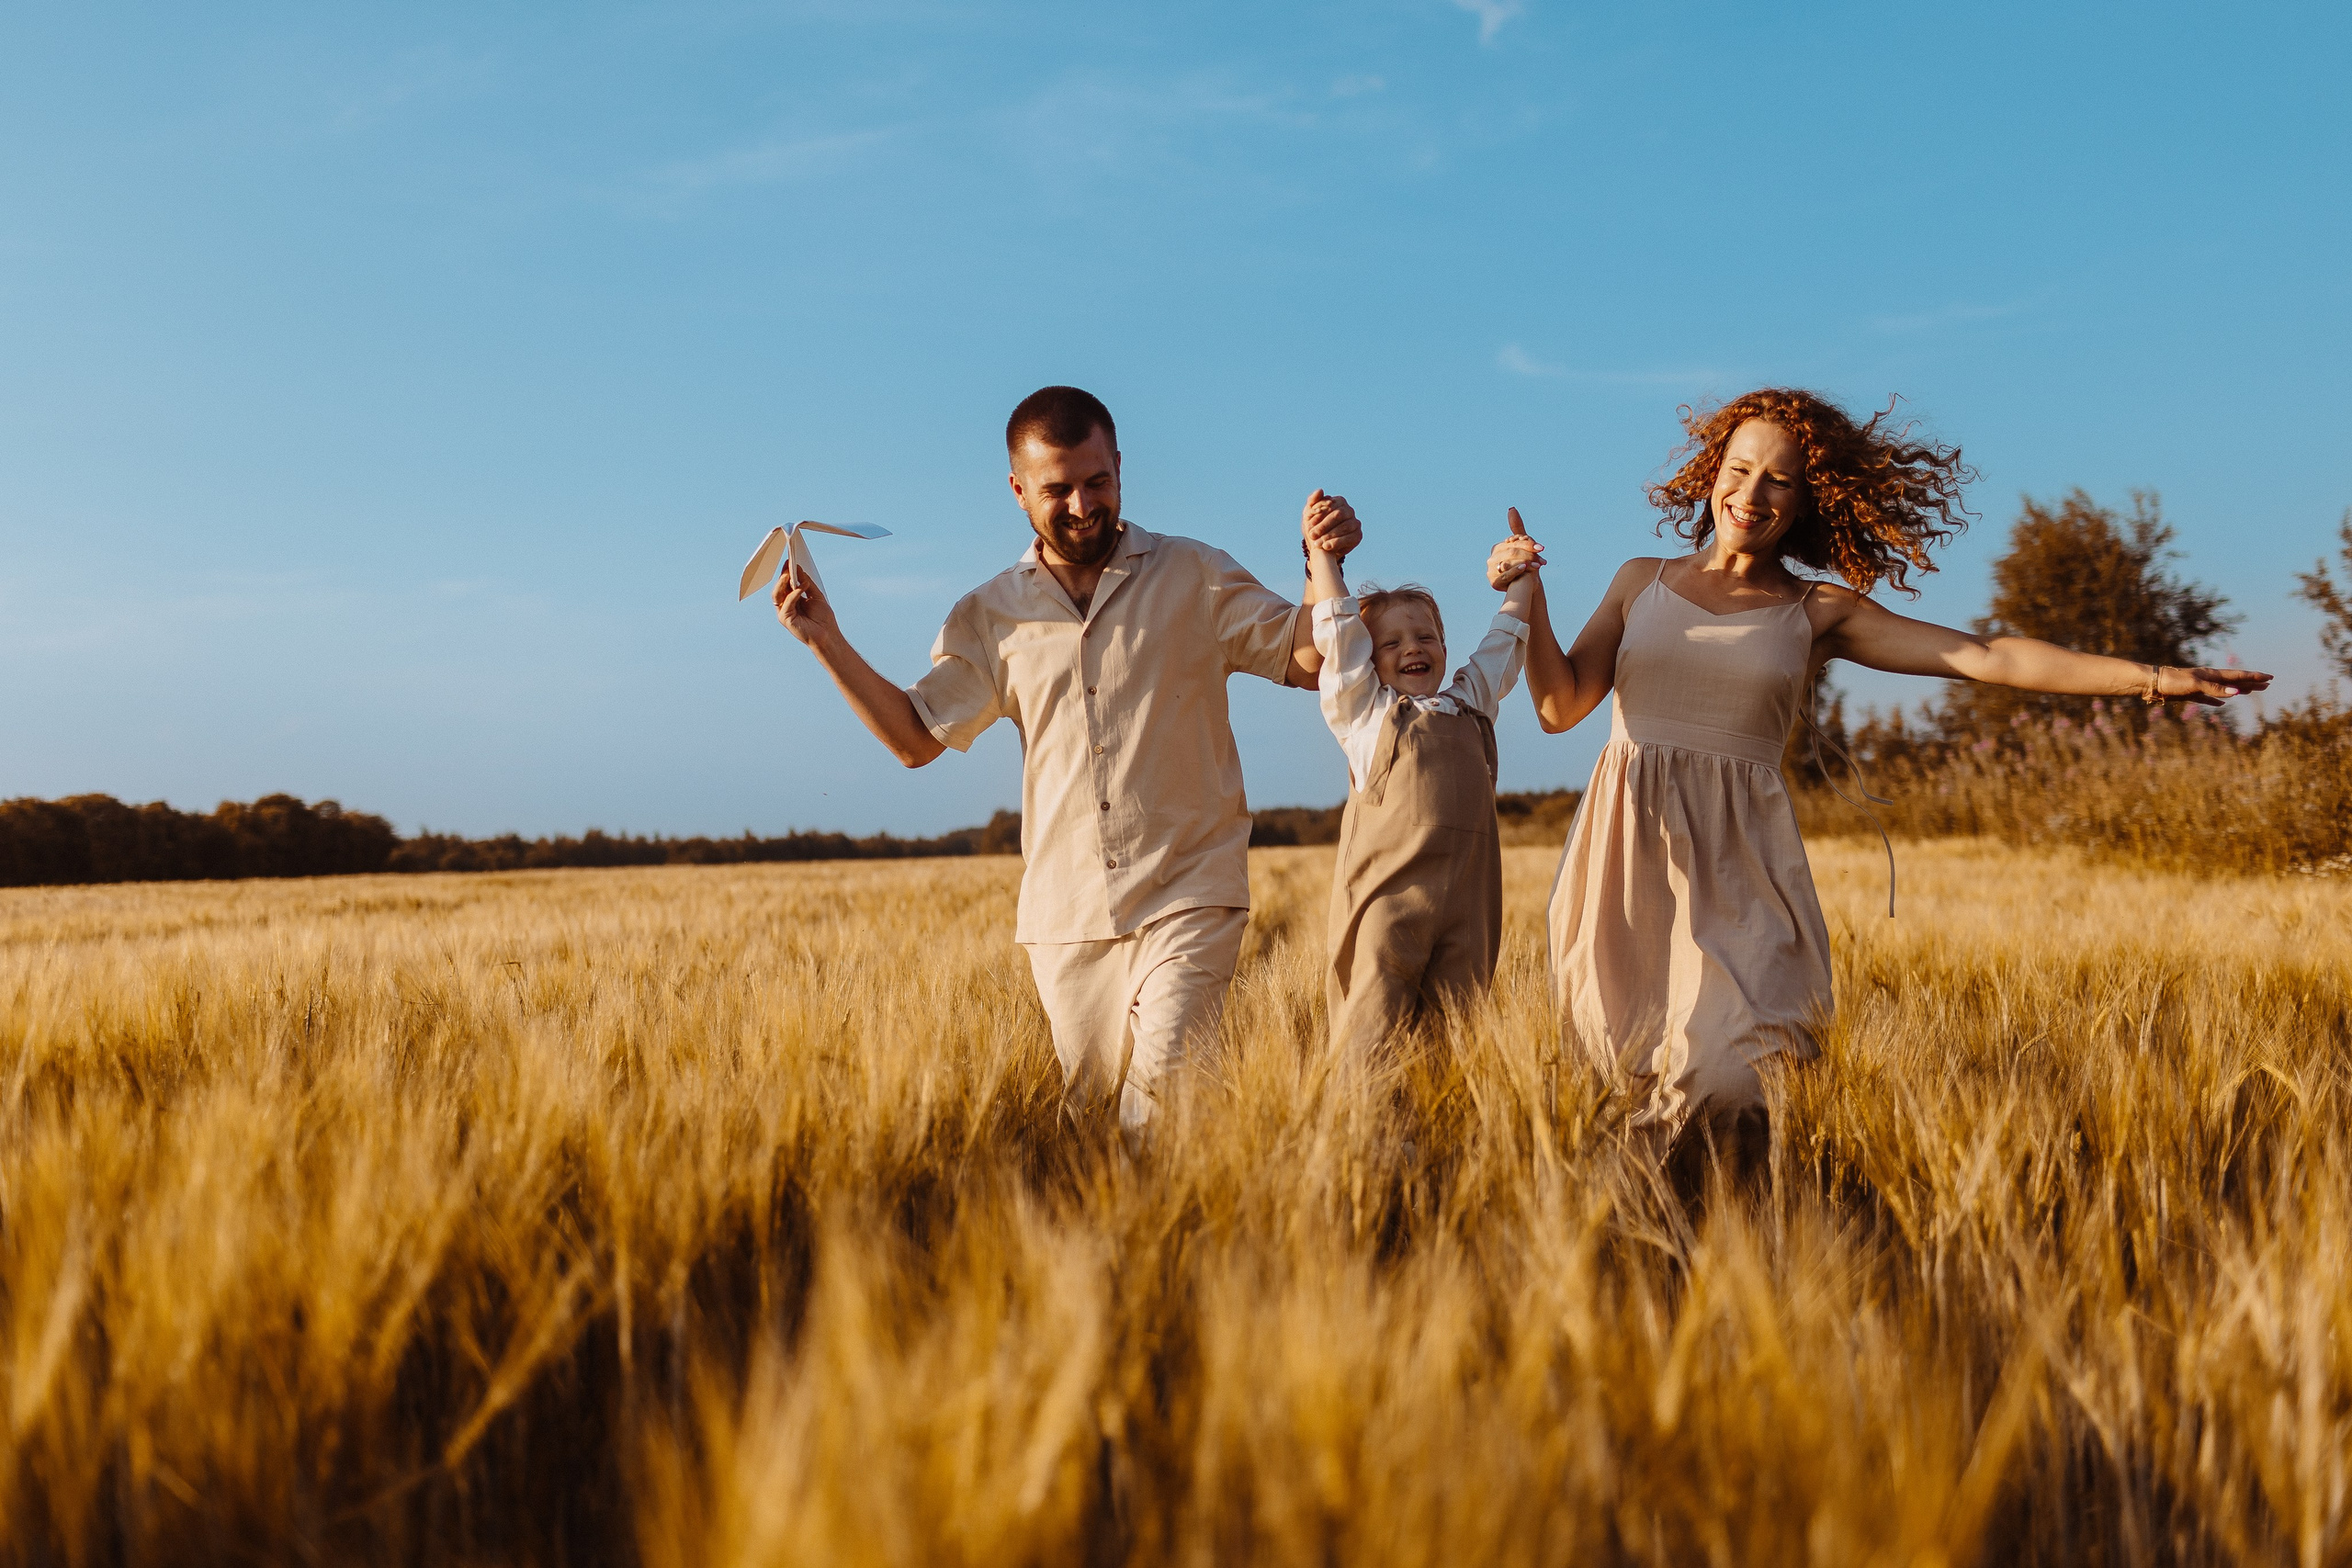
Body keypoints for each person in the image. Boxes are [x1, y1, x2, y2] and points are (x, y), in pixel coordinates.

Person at [1493, 388, 2269, 1178]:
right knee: (1617, 1092)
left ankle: (1755, 1247)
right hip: (1629, 857)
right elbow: (1558, 706)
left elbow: (1986, 655)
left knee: (1742, 1083)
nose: (1751, 494)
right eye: (1738, 468)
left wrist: (2156, 677)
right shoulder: (1639, 581)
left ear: (1808, 500)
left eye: (1780, 481)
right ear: (1710, 473)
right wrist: (1530, 596)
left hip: (1743, 872)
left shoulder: (1816, 609)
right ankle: (1650, 1270)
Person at [774, 386, 1362, 1135]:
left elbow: (1310, 657)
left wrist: (1322, 562)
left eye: (1098, 482)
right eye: (1057, 489)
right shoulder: (988, 616)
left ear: (1120, 467)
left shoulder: (1196, 574)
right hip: (1066, 917)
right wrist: (825, 636)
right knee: (1089, 1132)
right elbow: (915, 739)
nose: (1083, 505)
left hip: (1189, 892)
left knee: (1161, 1115)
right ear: (1018, 490)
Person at [1302, 513, 1536, 1059]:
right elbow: (1336, 635)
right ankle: (1358, 1137)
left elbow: (1504, 643)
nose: (1413, 647)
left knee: (1455, 1040)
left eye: (1426, 636)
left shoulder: (1471, 704)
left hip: (1468, 910)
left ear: (1445, 647)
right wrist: (1324, 559)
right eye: (1391, 643)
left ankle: (1438, 1143)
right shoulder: (1365, 713)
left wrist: (1522, 578)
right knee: (1371, 1031)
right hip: (1389, 905)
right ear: (1369, 659)